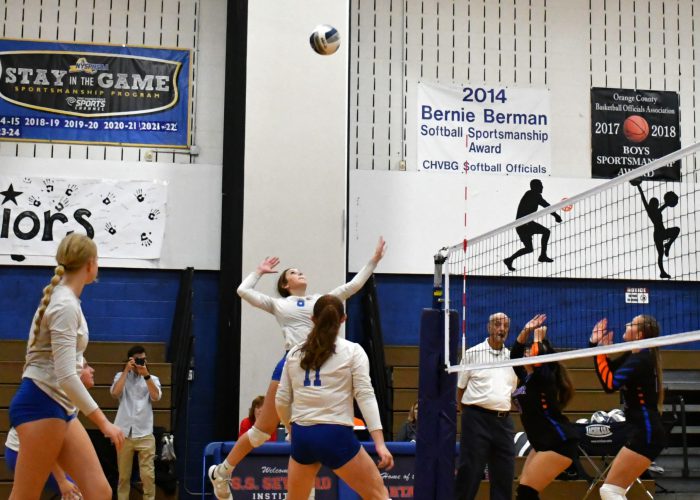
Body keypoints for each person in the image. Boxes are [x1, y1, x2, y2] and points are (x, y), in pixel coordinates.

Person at [208, 237, 386, 499]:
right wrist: (258, 271)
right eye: (292, 272)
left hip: (326, 359)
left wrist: (374, 260)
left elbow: (353, 286)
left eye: (300, 271)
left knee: (309, 428)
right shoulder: (280, 304)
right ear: (285, 284)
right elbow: (242, 291)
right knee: (260, 431)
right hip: (295, 361)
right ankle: (222, 472)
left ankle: (301, 469)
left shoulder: (322, 301)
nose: (299, 272)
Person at [8, 233, 124, 500]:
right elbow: (65, 376)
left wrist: (80, 364)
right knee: (25, 495)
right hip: (41, 403)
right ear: (91, 263)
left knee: (99, 492)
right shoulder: (64, 304)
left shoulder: (66, 299)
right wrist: (104, 423)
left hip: (59, 406)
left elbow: (56, 358)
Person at [275, 294, 394, 500]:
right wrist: (380, 444)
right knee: (378, 496)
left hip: (303, 436)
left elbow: (282, 400)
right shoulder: (352, 351)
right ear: (343, 319)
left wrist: (290, 428)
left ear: (313, 319)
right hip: (335, 434)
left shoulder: (294, 352)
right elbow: (365, 396)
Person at [590, 315, 666, 500]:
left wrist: (599, 352)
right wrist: (597, 347)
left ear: (639, 334)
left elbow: (610, 384)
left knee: (610, 491)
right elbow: (609, 372)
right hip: (643, 430)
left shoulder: (640, 359)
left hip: (645, 433)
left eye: (630, 323)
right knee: (615, 491)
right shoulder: (635, 355)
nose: (625, 324)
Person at [5, 358, 95, 500]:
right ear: (74, 374)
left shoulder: (71, 398)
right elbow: (41, 445)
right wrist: (62, 481)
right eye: (86, 366)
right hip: (20, 452)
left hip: (33, 451)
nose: (92, 370)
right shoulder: (55, 399)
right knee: (77, 494)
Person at [509, 315, 579, 499]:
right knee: (524, 493)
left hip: (558, 443)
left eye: (530, 352)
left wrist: (539, 339)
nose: (526, 353)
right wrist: (526, 330)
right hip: (542, 443)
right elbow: (514, 354)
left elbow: (540, 358)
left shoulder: (544, 378)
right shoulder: (527, 376)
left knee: (526, 493)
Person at [455, 312, 518, 500]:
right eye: (498, 325)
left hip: (503, 422)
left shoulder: (513, 358)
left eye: (505, 325)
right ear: (488, 327)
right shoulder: (473, 353)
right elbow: (459, 388)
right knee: (470, 471)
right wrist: (466, 414)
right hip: (476, 420)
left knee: (504, 474)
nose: (502, 329)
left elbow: (515, 392)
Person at [111, 345, 163, 500]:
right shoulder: (120, 376)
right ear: (130, 360)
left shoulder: (152, 379)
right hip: (123, 433)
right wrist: (126, 371)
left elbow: (156, 397)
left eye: (143, 359)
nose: (141, 362)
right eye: (137, 359)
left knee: (148, 476)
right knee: (123, 477)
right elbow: (115, 393)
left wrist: (146, 375)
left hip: (145, 433)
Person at [504, 179, 562, 271]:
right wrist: (556, 216)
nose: (542, 187)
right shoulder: (533, 194)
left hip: (524, 224)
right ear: (535, 187)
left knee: (529, 248)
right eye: (540, 185)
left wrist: (556, 215)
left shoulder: (533, 195)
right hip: (523, 225)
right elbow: (547, 206)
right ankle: (543, 255)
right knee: (545, 232)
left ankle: (509, 260)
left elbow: (546, 206)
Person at [632, 180, 680, 279]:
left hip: (661, 233)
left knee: (676, 230)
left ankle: (668, 245)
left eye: (657, 202)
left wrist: (668, 203)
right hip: (658, 234)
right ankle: (662, 272)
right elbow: (643, 198)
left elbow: (664, 205)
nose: (657, 204)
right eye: (654, 202)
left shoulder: (657, 210)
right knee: (660, 254)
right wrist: (639, 186)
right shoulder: (650, 211)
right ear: (651, 204)